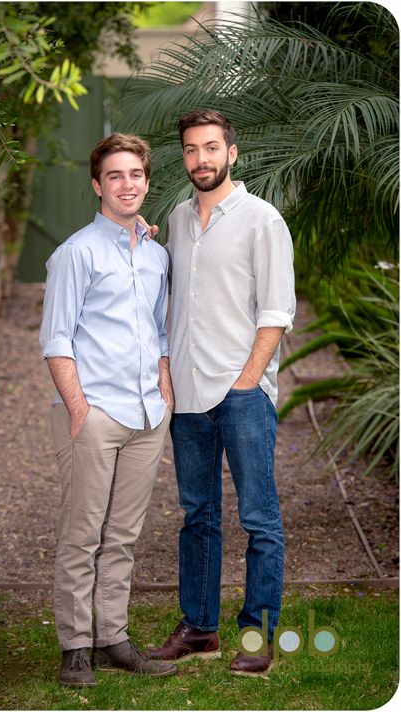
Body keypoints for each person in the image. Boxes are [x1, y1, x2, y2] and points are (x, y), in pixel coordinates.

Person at [147, 109, 296, 676]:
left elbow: (277, 310)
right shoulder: (177, 218)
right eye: (190, 150)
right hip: (188, 395)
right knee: (198, 515)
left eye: (211, 148)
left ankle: (257, 635)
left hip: (242, 392)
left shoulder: (262, 219)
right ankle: (200, 627)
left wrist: (248, 378)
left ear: (232, 153)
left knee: (259, 517)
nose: (201, 159)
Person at [39, 133, 176, 687]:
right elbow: (56, 340)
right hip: (93, 414)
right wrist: (77, 409)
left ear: (146, 181)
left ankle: (112, 636)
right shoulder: (76, 252)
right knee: (82, 533)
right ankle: (75, 645)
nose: (127, 185)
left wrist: (164, 390)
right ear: (97, 186)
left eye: (136, 175)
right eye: (115, 176)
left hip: (146, 416)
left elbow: (160, 331)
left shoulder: (157, 252)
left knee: (122, 534)